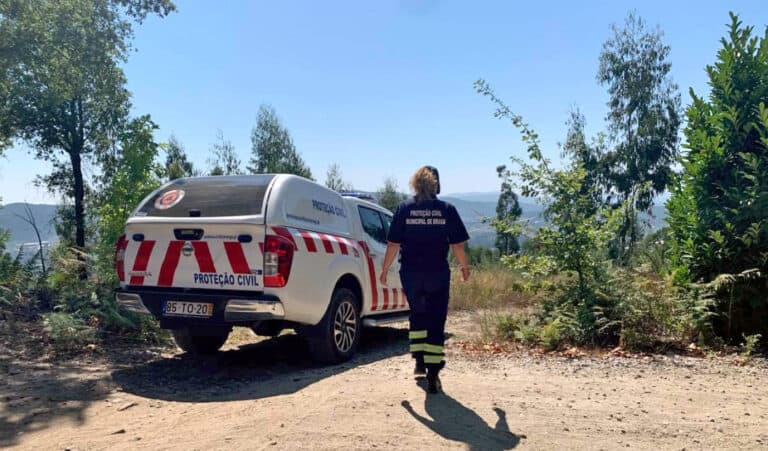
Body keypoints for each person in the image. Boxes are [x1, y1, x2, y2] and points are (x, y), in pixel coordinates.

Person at [379, 165, 470, 394]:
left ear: (415, 184)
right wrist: (464, 266)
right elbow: (457, 244)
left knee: (417, 315)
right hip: (437, 274)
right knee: (435, 321)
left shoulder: (404, 208)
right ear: (436, 184)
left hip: (410, 273)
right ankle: (433, 372)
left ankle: (419, 362)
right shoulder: (446, 209)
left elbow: (393, 244)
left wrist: (384, 269)